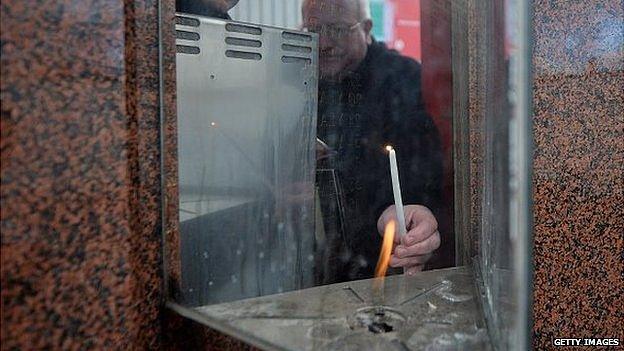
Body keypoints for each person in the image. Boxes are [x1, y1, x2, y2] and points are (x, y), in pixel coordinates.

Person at [303, 0, 443, 282]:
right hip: (316, 257)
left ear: (366, 29)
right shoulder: (300, 77)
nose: (324, 43)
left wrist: (415, 214)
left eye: (338, 29)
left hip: (384, 259)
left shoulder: (403, 79)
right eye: (313, 31)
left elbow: (424, 173)